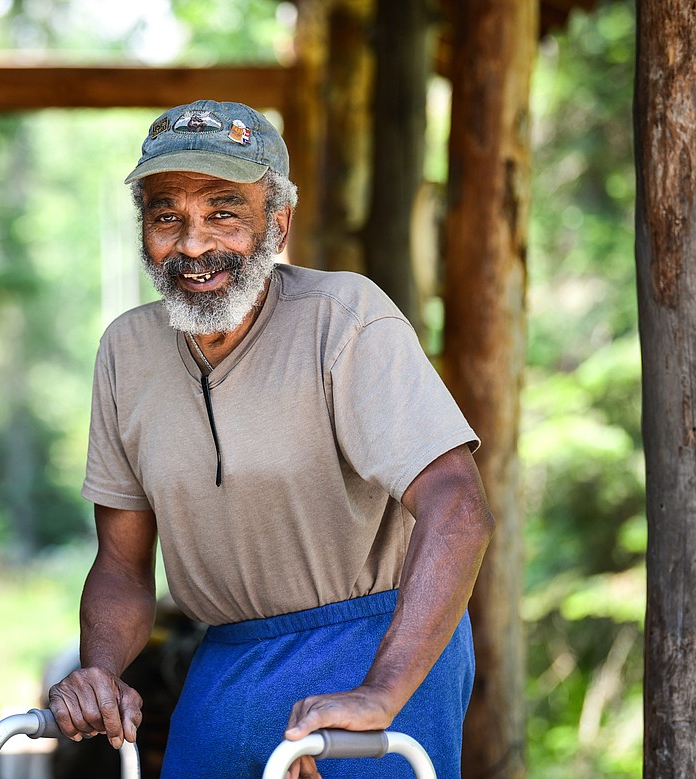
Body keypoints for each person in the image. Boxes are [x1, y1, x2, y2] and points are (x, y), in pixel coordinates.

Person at [46, 99, 494, 778]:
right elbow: (121, 565)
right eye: (167, 215)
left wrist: (381, 692)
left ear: (277, 222)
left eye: (224, 212)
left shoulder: (344, 319)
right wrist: (99, 672)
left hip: (378, 645)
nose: (193, 246)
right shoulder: (126, 352)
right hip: (228, 657)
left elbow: (458, 508)